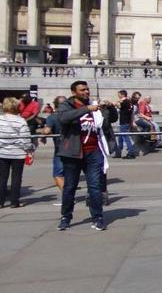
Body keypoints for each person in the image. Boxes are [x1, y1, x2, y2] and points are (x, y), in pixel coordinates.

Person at [56, 81, 110, 231]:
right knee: (70, 187)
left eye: (87, 89)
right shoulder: (67, 105)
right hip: (73, 152)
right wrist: (86, 109)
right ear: (74, 92)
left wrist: (109, 109)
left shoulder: (94, 105)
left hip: (93, 151)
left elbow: (107, 122)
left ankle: (98, 217)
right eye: (82, 90)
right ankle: (66, 217)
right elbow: (63, 118)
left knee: (94, 186)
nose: (86, 92)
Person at [0, 97, 34, 208]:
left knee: (2, 177)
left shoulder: (0, 119)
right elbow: (26, 138)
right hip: (18, 153)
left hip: (2, 152)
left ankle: (0, 202)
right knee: (17, 177)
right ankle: (14, 202)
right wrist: (29, 150)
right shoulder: (21, 120)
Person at [40, 95, 67, 200]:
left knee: (58, 174)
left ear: (55, 105)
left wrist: (43, 136)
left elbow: (46, 130)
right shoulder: (73, 115)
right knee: (70, 173)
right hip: (75, 148)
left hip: (60, 149)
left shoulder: (53, 117)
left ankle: (67, 196)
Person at [114, 90, 137, 159]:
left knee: (126, 137)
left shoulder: (124, 102)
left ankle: (131, 153)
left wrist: (118, 102)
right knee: (120, 138)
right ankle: (118, 153)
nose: (118, 96)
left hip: (124, 122)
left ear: (122, 95)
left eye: (119, 95)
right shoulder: (129, 102)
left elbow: (116, 104)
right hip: (127, 122)